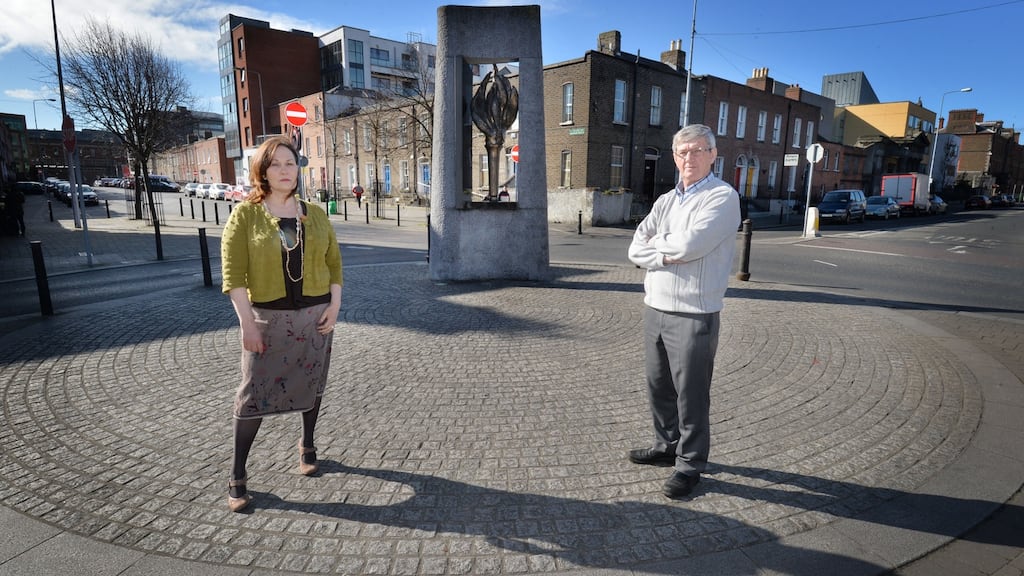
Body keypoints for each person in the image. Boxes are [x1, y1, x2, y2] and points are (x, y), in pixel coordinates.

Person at [220, 135, 343, 513]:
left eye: (290, 163)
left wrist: (334, 306)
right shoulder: (246, 214)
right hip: (267, 320)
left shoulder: (315, 214)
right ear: (263, 172)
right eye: (276, 164)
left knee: (313, 383)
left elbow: (334, 263)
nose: (285, 170)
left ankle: (308, 444)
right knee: (252, 394)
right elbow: (233, 275)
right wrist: (247, 324)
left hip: (315, 317)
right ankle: (237, 473)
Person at [626, 124, 740, 499]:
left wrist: (661, 248)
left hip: (695, 312)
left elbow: (691, 245)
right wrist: (667, 251)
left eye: (696, 151)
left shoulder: (722, 198)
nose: (687, 158)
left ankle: (690, 465)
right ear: (674, 157)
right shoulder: (665, 201)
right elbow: (635, 247)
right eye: (681, 152)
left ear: (712, 155)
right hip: (655, 307)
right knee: (658, 387)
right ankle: (665, 446)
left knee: (691, 395)